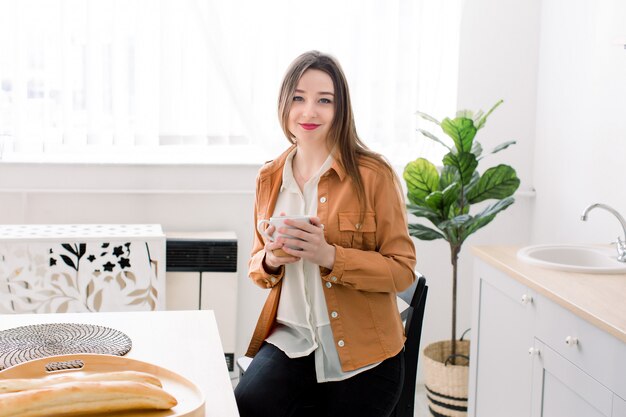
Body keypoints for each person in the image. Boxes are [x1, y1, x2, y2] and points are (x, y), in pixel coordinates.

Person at [234, 50, 416, 417]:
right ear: (284, 105)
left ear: (340, 109)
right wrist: (271, 258)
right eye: (298, 98)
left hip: (366, 356)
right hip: (293, 342)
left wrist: (329, 256)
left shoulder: (374, 175)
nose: (309, 112)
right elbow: (257, 267)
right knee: (243, 407)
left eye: (324, 101)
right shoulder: (269, 177)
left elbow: (403, 271)